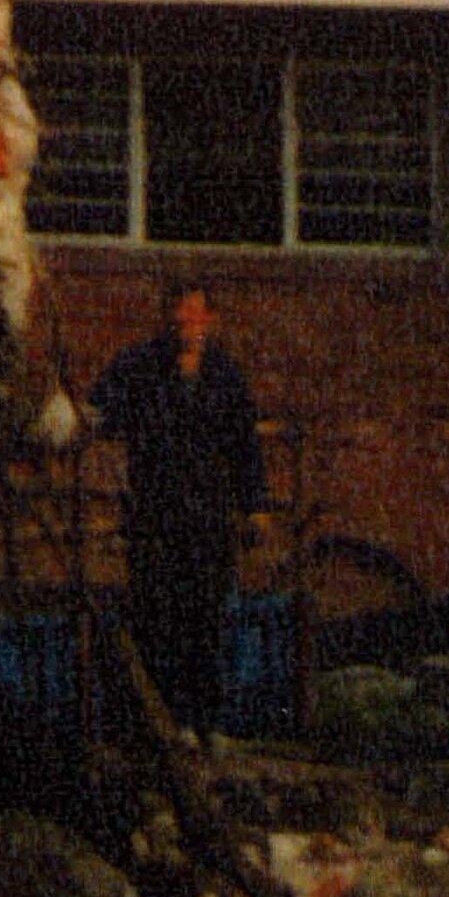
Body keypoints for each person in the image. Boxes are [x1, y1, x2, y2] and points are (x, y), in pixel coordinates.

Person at [90, 281, 263, 730]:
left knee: (206, 620)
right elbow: (99, 409)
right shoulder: (140, 367)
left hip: (208, 521)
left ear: (209, 320)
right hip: (154, 517)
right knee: (155, 617)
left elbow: (245, 446)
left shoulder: (225, 376)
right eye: (177, 314)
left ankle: (203, 723)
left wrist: (254, 506)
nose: (184, 323)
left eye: (193, 314)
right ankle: (157, 723)